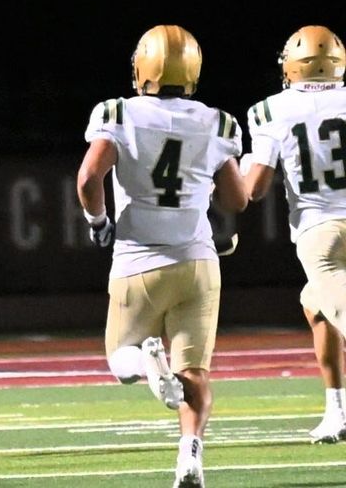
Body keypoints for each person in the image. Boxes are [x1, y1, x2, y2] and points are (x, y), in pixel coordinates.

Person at [77, 24, 247, 488]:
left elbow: (89, 180)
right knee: (194, 372)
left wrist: (98, 223)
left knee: (119, 356)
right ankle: (190, 460)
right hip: (198, 262)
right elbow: (237, 200)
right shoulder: (217, 122)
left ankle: (149, 367)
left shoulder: (119, 113)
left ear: (143, 67)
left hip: (139, 260)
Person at [240, 24, 346, 444]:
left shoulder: (271, 110)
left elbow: (255, 188)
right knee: (316, 307)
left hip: (320, 232)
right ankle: (337, 410)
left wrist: (245, 163)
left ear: (292, 67)